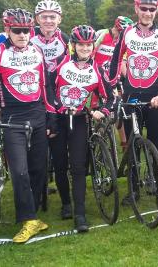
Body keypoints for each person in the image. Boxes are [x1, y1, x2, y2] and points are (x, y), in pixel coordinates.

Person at [0, 8, 57, 243]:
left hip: (39, 115)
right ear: (7, 30)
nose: (22, 34)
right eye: (17, 30)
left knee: (39, 169)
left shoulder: (37, 50)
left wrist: (51, 116)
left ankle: (33, 211)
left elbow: (46, 87)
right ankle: (28, 220)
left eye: (26, 30)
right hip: (12, 119)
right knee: (19, 171)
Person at [109, 0, 158, 205]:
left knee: (156, 143)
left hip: (155, 98)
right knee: (132, 145)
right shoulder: (127, 32)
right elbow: (115, 61)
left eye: (152, 9)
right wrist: (112, 87)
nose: (147, 12)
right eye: (144, 8)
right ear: (136, 8)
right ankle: (133, 189)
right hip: (131, 97)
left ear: (157, 10)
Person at [51, 25, 114, 232]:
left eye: (88, 44)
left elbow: (109, 97)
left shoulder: (97, 69)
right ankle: (66, 203)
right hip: (59, 120)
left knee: (78, 167)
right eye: (81, 44)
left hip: (79, 120)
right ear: (73, 45)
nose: (85, 48)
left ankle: (80, 214)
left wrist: (102, 111)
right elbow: (47, 89)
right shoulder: (60, 63)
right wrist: (57, 108)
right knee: (60, 164)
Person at [30, 0, 70, 217]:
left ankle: (66, 203)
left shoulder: (65, 40)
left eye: (52, 16)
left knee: (59, 153)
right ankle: (34, 198)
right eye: (44, 16)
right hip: (35, 100)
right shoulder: (29, 39)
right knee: (34, 155)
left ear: (59, 19)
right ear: (37, 19)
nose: (48, 20)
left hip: (58, 100)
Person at [94, 16, 133, 151]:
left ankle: (124, 143)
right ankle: (95, 135)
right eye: (121, 33)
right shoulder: (102, 34)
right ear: (116, 28)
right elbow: (90, 52)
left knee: (117, 107)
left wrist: (128, 78)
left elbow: (122, 61)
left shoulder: (121, 42)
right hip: (96, 77)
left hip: (111, 79)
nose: (121, 37)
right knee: (94, 108)